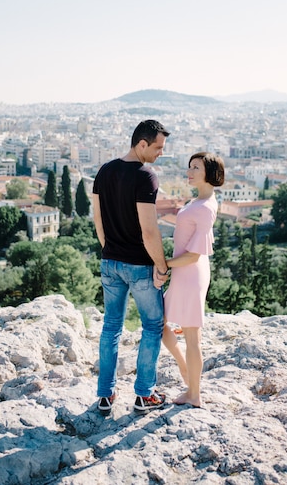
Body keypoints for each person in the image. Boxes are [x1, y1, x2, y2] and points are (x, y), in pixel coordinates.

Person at [92, 119, 171, 414]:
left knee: (111, 327)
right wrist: (161, 266)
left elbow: (98, 220)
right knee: (152, 326)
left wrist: (108, 250)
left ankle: (105, 395)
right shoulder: (145, 176)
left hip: (109, 261)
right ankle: (144, 395)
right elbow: (149, 231)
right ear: (142, 144)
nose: (161, 153)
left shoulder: (105, 170)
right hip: (139, 265)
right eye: (158, 147)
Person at [155, 151, 225, 408]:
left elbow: (194, 255)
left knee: (192, 337)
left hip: (191, 273)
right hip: (185, 274)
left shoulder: (205, 207)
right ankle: (185, 370)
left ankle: (194, 393)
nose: (190, 171)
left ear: (209, 173)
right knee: (159, 323)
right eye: (190, 166)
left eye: (196, 167)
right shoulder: (201, 201)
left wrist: (163, 264)